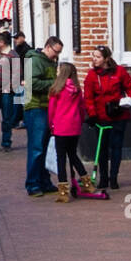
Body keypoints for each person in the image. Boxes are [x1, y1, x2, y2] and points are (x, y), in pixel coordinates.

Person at [83, 45, 131, 191]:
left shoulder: (119, 71)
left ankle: (114, 177)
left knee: (116, 147)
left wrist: (128, 101)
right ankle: (103, 178)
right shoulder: (92, 75)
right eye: (93, 56)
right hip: (101, 116)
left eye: (98, 57)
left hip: (119, 115)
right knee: (102, 148)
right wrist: (92, 115)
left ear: (106, 58)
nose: (94, 59)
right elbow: (88, 97)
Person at [23, 36, 63, 197]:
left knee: (45, 148)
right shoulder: (34, 61)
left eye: (59, 53)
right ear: (47, 47)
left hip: (47, 108)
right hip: (35, 107)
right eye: (55, 52)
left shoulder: (50, 61)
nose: (57, 56)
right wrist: (55, 83)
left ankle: (44, 182)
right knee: (37, 147)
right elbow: (32, 84)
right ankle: (32, 185)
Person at [47, 62, 86, 202]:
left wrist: (51, 125)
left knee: (61, 158)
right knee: (73, 155)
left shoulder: (56, 89)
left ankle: (63, 191)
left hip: (61, 127)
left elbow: (52, 110)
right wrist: (80, 122)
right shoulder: (77, 89)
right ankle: (86, 181)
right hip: (74, 127)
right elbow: (82, 109)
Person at [11, 30, 31, 128]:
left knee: (21, 102)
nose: (15, 40)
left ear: (22, 37)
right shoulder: (17, 49)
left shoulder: (27, 50)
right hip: (18, 78)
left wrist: (24, 79)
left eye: (17, 38)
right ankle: (19, 121)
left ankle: (23, 122)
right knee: (19, 102)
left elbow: (27, 65)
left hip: (23, 79)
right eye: (14, 38)